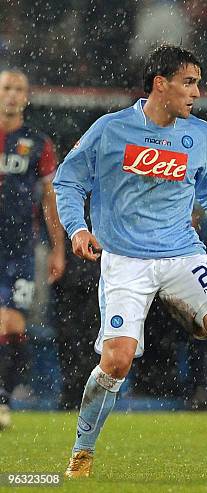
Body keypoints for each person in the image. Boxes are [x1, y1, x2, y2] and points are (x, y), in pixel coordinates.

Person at [53, 45, 207, 478]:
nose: (197, 93)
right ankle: (82, 451)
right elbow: (68, 181)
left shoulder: (202, 136)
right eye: (189, 83)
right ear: (160, 84)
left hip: (183, 253)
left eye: (198, 83)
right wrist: (77, 228)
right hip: (125, 261)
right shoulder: (110, 130)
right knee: (117, 361)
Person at [0, 69, 65, 430]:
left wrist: (57, 248)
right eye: (6, 88)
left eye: (18, 89)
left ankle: (3, 399)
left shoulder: (37, 143)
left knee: (12, 322)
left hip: (19, 250)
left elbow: (48, 199)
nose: (11, 95)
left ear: (26, 96)